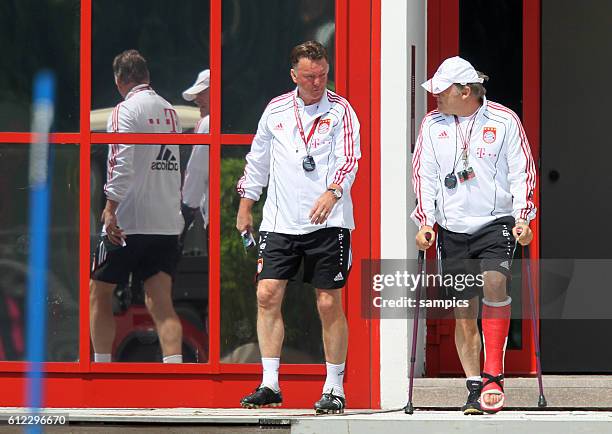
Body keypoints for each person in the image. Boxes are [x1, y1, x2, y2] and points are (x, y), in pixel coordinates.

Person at [236, 40, 360, 414]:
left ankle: (334, 387)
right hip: (280, 221)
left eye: (322, 75)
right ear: (294, 75)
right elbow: (257, 161)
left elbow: (350, 157)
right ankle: (270, 383)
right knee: (267, 294)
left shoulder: (341, 110)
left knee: (327, 302)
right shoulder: (276, 110)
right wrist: (246, 205)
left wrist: (333, 191)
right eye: (309, 76)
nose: (317, 82)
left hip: (329, 221)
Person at [411, 56, 536, 414]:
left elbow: (521, 171)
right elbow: (425, 175)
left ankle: (493, 373)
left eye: (442, 90)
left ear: (466, 91)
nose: (435, 96)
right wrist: (425, 222)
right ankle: (473, 385)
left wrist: (523, 215)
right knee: (463, 310)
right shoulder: (432, 124)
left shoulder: (504, 119)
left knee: (495, 283)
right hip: (452, 227)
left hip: (495, 221)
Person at [90, 49, 184, 364]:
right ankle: (176, 374)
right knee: (161, 302)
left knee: (99, 292)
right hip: (167, 221)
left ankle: (101, 371)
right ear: (146, 76)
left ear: (120, 80)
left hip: (128, 221)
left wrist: (110, 209)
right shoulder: (170, 111)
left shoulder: (125, 110)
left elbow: (120, 162)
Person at [181, 69, 210, 239]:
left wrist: (185, 212)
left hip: (215, 220)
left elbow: (196, 173)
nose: (197, 100)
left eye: (202, 92)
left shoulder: (206, 123)